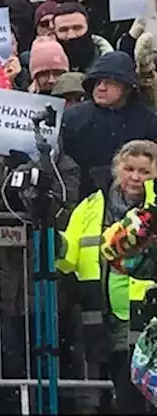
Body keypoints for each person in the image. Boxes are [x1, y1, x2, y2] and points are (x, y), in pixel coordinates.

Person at [58, 139, 157, 411]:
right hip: (104, 314)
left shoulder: (154, 209)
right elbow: (68, 258)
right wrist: (51, 239)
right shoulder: (91, 205)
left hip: (148, 315)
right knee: (122, 391)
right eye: (129, 169)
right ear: (117, 169)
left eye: (145, 171)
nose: (135, 177)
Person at [62, 52, 157, 199]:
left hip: (137, 203)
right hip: (82, 199)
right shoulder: (72, 118)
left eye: (109, 82)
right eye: (98, 82)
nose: (101, 87)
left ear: (127, 87)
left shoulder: (149, 121)